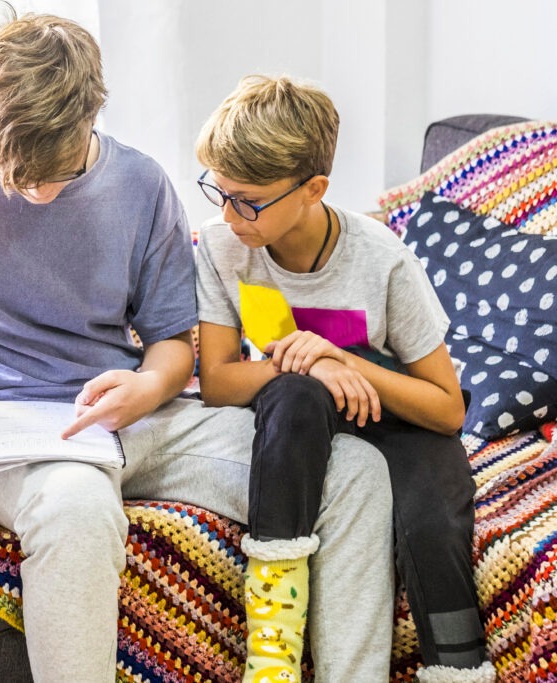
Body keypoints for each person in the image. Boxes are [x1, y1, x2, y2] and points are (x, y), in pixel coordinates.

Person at [0, 9, 396, 682]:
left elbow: (173, 344)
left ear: (90, 116)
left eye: (51, 170)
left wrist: (146, 386)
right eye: (12, 168)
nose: (32, 189)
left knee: (354, 472)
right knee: (77, 506)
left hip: (131, 421)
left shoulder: (140, 185)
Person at [194, 75, 493, 683]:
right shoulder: (225, 247)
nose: (228, 215)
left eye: (248, 201)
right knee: (296, 391)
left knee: (433, 524)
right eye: (218, 193)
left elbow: (446, 410)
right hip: (298, 408)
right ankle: (272, 657)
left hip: (395, 416)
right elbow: (219, 384)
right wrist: (316, 366)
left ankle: (457, 667)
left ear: (314, 190)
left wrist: (345, 359)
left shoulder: (382, 259)